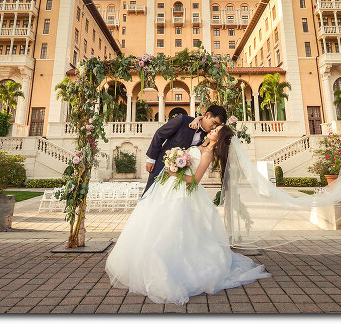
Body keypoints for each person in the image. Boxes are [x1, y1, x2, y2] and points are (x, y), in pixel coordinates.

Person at [105, 124, 271, 305]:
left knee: (177, 230)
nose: (213, 130)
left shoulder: (208, 154)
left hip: (184, 194)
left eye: (216, 131)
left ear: (219, 138)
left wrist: (173, 172)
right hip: (167, 188)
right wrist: (174, 162)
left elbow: (195, 180)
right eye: (214, 128)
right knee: (155, 224)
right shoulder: (200, 144)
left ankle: (171, 267)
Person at [142, 105, 226, 193]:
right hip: (161, 166)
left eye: (217, 125)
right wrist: (151, 159)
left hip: (180, 178)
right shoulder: (183, 120)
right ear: (207, 115)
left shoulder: (209, 136)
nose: (214, 127)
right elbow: (160, 134)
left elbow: (223, 133)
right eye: (214, 122)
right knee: (150, 194)